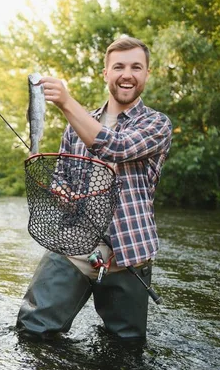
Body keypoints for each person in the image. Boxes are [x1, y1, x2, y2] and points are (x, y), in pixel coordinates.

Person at [16, 36, 172, 339]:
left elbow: (115, 147)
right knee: (32, 331)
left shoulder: (157, 124)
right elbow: (61, 175)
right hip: (73, 244)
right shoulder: (76, 122)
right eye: (119, 67)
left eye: (136, 67)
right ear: (106, 73)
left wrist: (65, 101)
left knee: (124, 348)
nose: (127, 74)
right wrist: (61, 192)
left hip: (128, 253)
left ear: (146, 74)